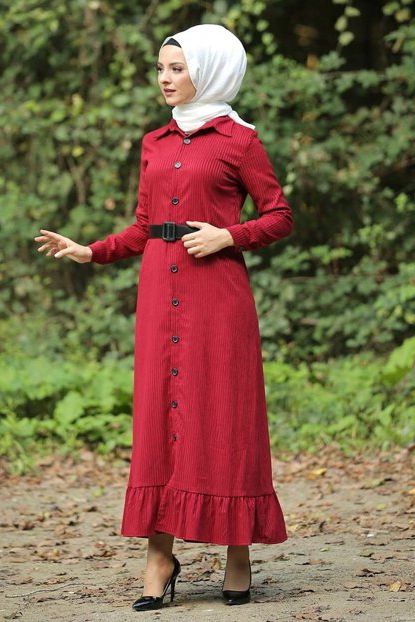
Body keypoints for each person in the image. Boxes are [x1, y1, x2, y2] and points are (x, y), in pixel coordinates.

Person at [34, 23, 293, 611]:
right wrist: (91, 251)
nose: (165, 79)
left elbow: (279, 215)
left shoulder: (240, 141)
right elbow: (144, 227)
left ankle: (237, 553)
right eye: (160, 68)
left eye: (177, 68)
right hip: (159, 294)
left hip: (217, 295)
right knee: (159, 417)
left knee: (224, 416)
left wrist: (229, 234)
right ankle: (158, 556)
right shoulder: (154, 142)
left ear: (210, 70)